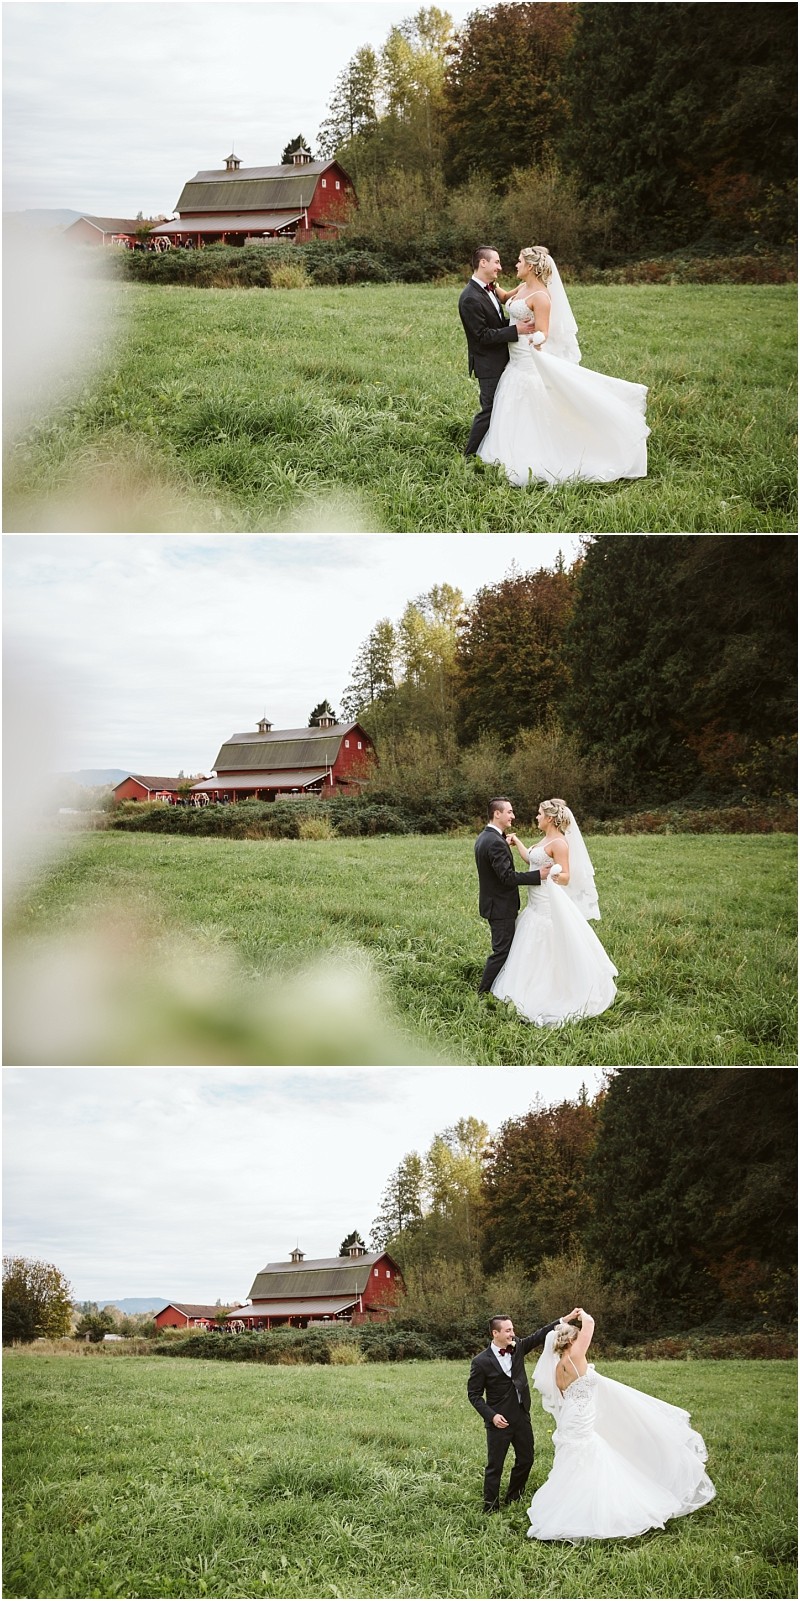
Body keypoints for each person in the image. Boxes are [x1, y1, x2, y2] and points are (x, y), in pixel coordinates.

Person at [527, 1309, 716, 1541]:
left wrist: (566, 1320)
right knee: (589, 1453)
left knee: (575, 1455)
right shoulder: (576, 1356)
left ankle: (569, 1503)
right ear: (572, 1340)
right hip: (582, 1415)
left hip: (570, 1417)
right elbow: (591, 1323)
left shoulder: (558, 1367)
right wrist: (581, 1313)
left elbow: (564, 1395)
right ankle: (593, 1508)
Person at [477, 246, 650, 486]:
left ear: (530, 266)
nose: (515, 265)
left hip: (527, 358)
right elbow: (506, 298)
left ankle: (540, 453)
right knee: (510, 403)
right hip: (514, 360)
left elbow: (544, 332)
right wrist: (486, 282)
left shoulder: (541, 296)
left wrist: (534, 339)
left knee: (530, 402)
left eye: (519, 261)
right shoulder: (524, 288)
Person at [491, 798, 617, 1024]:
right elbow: (532, 859)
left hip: (547, 904)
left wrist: (556, 875)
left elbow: (567, 876)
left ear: (549, 818)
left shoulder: (559, 843)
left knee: (548, 943)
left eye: (539, 814)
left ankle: (553, 987)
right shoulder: (546, 838)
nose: (536, 817)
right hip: (534, 904)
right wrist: (518, 842)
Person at [467, 1312, 562, 1512]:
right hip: (498, 1420)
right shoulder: (480, 1361)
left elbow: (540, 1335)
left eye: (512, 1329)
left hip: (521, 1415)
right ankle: (490, 1507)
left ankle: (514, 1496)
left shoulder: (517, 1347)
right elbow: (474, 1395)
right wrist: (491, 1415)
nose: (513, 1333)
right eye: (508, 1330)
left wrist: (564, 1320)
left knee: (526, 1459)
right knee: (495, 1466)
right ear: (496, 1333)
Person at [458, 246, 537, 457]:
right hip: (488, 364)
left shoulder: (489, 289)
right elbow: (481, 336)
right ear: (483, 263)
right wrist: (516, 330)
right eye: (497, 262)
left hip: (503, 359)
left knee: (504, 408)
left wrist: (517, 323)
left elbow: (496, 322)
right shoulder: (470, 298)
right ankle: (469, 455)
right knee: (490, 409)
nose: (500, 268)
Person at [474, 797, 551, 995]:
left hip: (494, 904)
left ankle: (502, 986)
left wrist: (505, 842)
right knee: (502, 952)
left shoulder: (487, 837)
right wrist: (538, 875)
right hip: (500, 907)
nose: (513, 816)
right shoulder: (495, 842)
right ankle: (483, 993)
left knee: (506, 949)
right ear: (497, 813)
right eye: (509, 812)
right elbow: (507, 877)